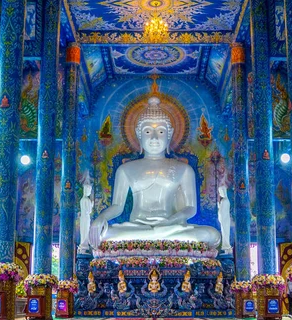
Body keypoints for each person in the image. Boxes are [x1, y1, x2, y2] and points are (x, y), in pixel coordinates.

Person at [88, 96, 220, 251]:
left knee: (212, 235)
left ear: (169, 136)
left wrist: (170, 222)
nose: (155, 137)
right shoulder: (125, 169)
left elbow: (191, 208)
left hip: (171, 227)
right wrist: (100, 218)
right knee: (104, 235)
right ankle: (153, 235)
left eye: (161, 131)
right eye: (148, 131)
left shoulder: (184, 169)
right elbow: (117, 206)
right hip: (136, 227)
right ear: (139, 136)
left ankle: (155, 235)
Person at [78, 183, 93, 254]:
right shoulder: (87, 200)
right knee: (86, 231)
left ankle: (83, 245)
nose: (90, 192)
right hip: (86, 218)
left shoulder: (82, 199)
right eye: (89, 190)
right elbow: (89, 211)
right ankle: (84, 246)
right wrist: (92, 205)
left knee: (83, 231)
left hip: (82, 218)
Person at [217, 185, 231, 253]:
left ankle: (226, 246)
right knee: (225, 233)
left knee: (225, 233)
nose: (220, 194)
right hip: (226, 219)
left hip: (224, 219)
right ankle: (226, 246)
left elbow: (221, 212)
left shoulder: (224, 201)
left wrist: (219, 208)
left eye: (220, 192)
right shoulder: (226, 200)